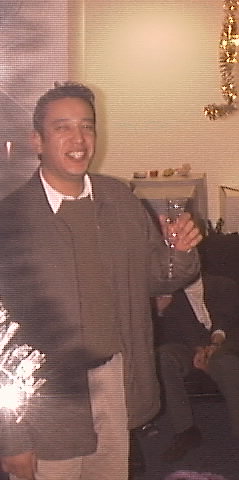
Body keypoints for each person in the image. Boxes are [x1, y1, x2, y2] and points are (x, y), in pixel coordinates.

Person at [0, 82, 201, 480]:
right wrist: (12, 437)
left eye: (87, 126)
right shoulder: (13, 220)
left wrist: (180, 251)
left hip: (115, 379)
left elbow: (158, 279)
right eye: (62, 127)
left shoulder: (120, 200)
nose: (78, 139)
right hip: (47, 396)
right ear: (37, 140)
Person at [153, 274, 239, 463]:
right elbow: (164, 332)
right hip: (186, 346)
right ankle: (185, 431)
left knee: (226, 363)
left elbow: (227, 318)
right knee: (163, 358)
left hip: (223, 342)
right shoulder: (171, 292)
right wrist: (159, 310)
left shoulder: (224, 284)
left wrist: (213, 345)